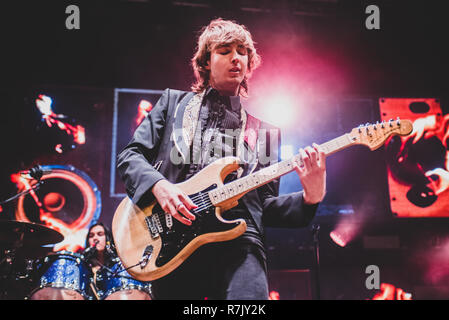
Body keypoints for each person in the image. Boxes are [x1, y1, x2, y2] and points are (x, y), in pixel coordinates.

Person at [117, 18, 327, 300]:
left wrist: (310, 197)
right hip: (172, 242)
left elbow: (262, 206)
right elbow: (130, 156)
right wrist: (159, 186)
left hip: (239, 245)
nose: (236, 58)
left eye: (242, 51)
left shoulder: (264, 133)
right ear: (205, 62)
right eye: (225, 50)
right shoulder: (172, 104)